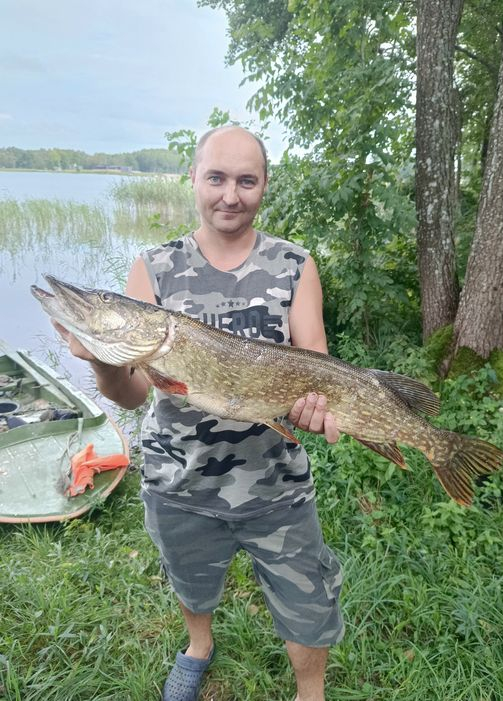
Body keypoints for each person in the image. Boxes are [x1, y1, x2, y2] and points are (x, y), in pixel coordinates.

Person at [56, 125, 344, 701]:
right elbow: (134, 395)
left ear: (264, 186)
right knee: (192, 582)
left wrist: (315, 407)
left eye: (246, 180)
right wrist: (105, 363)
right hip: (179, 481)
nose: (229, 195)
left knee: (308, 602)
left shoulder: (294, 265)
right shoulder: (156, 267)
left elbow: (315, 364)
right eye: (216, 178)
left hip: (276, 486)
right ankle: (199, 646)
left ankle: (309, 690)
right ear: (193, 179)